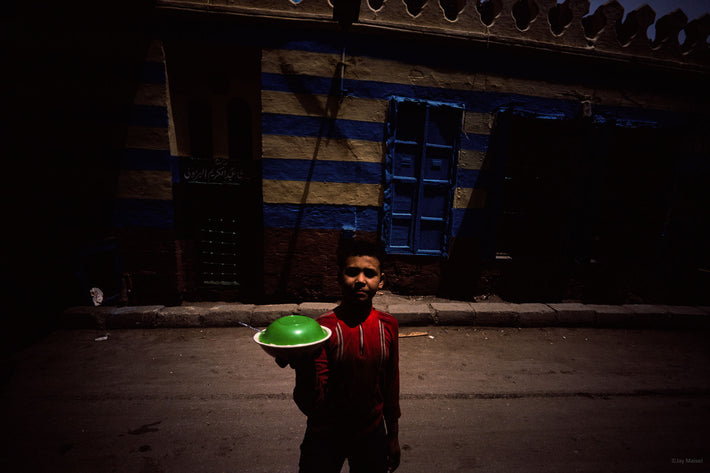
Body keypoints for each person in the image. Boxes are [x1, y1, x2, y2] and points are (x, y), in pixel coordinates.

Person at [278, 240, 401, 473]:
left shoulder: (389, 325)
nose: (360, 281)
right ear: (339, 276)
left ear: (381, 280)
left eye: (370, 274)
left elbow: (390, 385)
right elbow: (312, 401)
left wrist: (392, 436)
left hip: (372, 433)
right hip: (325, 435)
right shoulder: (322, 329)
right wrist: (303, 365)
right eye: (352, 272)